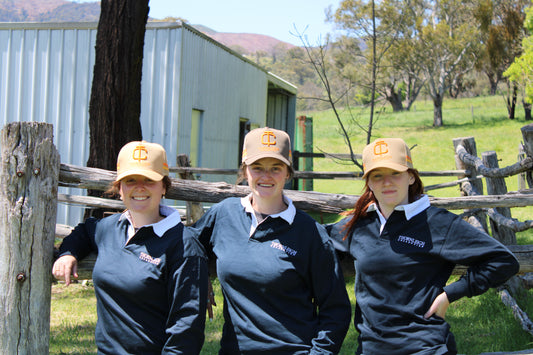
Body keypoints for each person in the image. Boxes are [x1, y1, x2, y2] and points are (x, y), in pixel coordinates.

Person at [327, 137, 520, 355]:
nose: (386, 182)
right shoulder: (358, 226)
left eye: (395, 173)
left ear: (410, 176)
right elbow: (312, 240)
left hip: (425, 346)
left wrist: (451, 294)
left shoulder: (436, 223)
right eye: (377, 176)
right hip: (371, 348)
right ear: (369, 182)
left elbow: (503, 261)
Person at [191, 127, 351, 354]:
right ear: (245, 171)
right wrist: (199, 275)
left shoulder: (309, 233)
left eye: (275, 168)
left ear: (287, 173)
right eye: (257, 168)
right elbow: (186, 244)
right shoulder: (224, 215)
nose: (265, 176)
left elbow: (336, 309)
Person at [52, 140, 208, 354]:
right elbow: (86, 230)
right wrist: (68, 254)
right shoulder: (111, 228)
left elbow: (186, 331)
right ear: (119, 188)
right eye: (130, 180)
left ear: (164, 186)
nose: (139, 187)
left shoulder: (183, 245)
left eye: (149, 180)